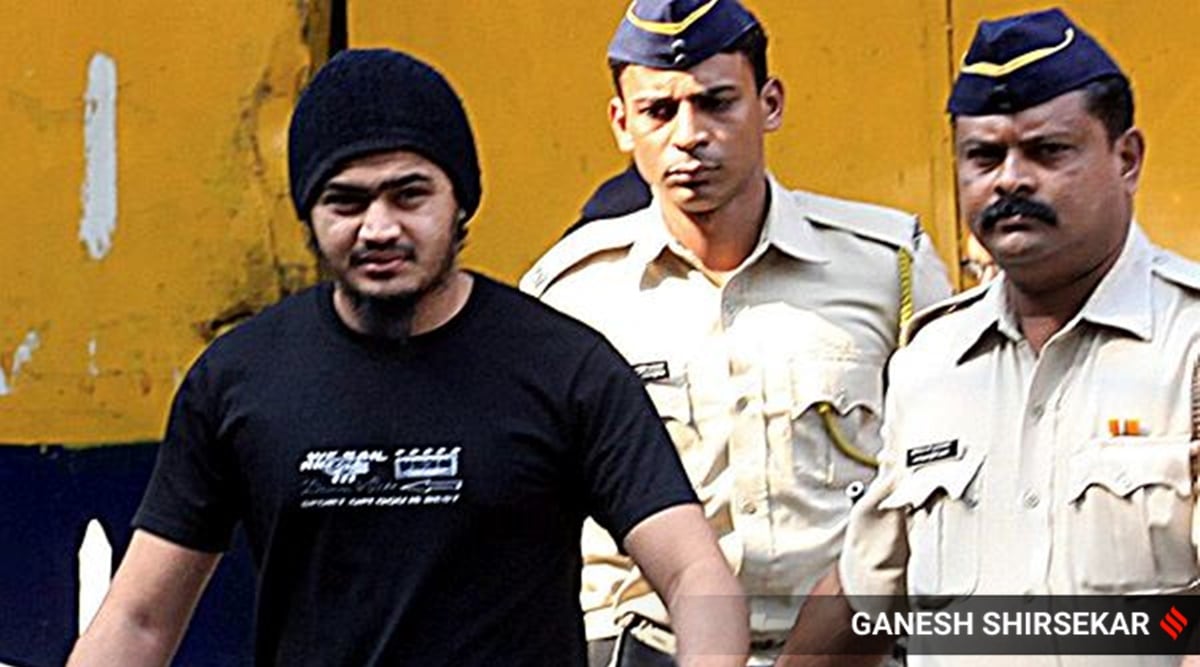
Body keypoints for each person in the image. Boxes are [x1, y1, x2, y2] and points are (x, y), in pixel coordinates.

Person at [66, 48, 749, 667]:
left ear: (460, 201)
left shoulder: (566, 368)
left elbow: (695, 575)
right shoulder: (238, 381)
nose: (379, 227)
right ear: (308, 213)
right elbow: (139, 618)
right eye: (346, 201)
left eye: (409, 194)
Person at [520, 1, 952, 664]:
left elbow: (944, 481)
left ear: (770, 103)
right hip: (646, 645)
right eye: (659, 111)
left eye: (717, 103)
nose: (690, 135)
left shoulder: (886, 266)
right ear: (621, 123)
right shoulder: (571, 295)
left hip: (845, 648)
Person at [779, 8, 1200, 667]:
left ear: (1127, 158)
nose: (1010, 179)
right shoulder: (931, 362)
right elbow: (867, 596)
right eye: (984, 156)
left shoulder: (1188, 346)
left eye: (1048, 151)